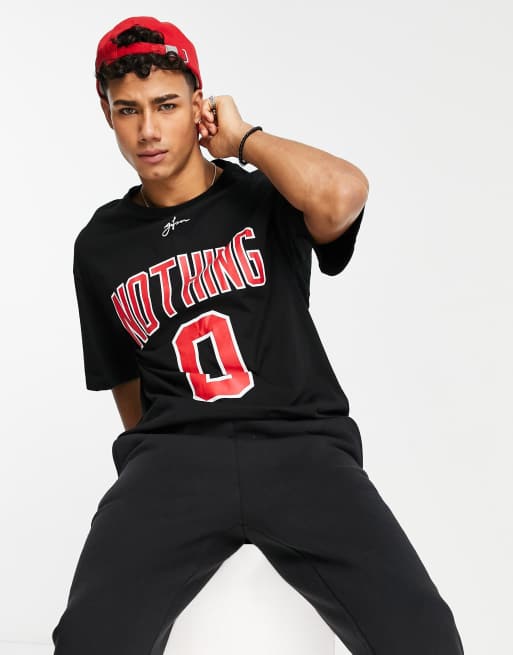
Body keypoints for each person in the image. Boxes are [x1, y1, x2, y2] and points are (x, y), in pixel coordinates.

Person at [51, 15, 465, 655]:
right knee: (89, 638)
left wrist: (244, 138)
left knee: (422, 633)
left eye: (166, 105)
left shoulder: (267, 195)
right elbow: (125, 386)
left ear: (199, 105)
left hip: (300, 444)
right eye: (128, 110)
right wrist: (152, 475)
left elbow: (343, 193)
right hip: (175, 458)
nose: (148, 130)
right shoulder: (99, 244)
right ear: (107, 113)